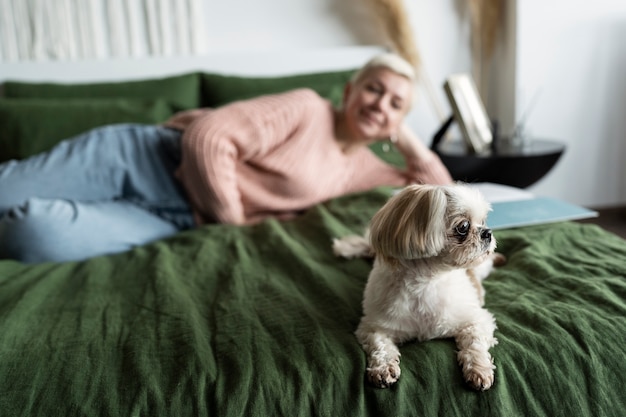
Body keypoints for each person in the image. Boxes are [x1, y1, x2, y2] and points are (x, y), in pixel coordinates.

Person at [0, 52, 452, 263]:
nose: (380, 104)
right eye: (374, 89)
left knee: (31, 238)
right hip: (144, 158)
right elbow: (206, 138)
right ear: (350, 91)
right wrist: (233, 222)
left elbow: (445, 200)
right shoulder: (307, 108)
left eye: (396, 103)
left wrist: (409, 142)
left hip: (174, 219)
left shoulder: (368, 170)